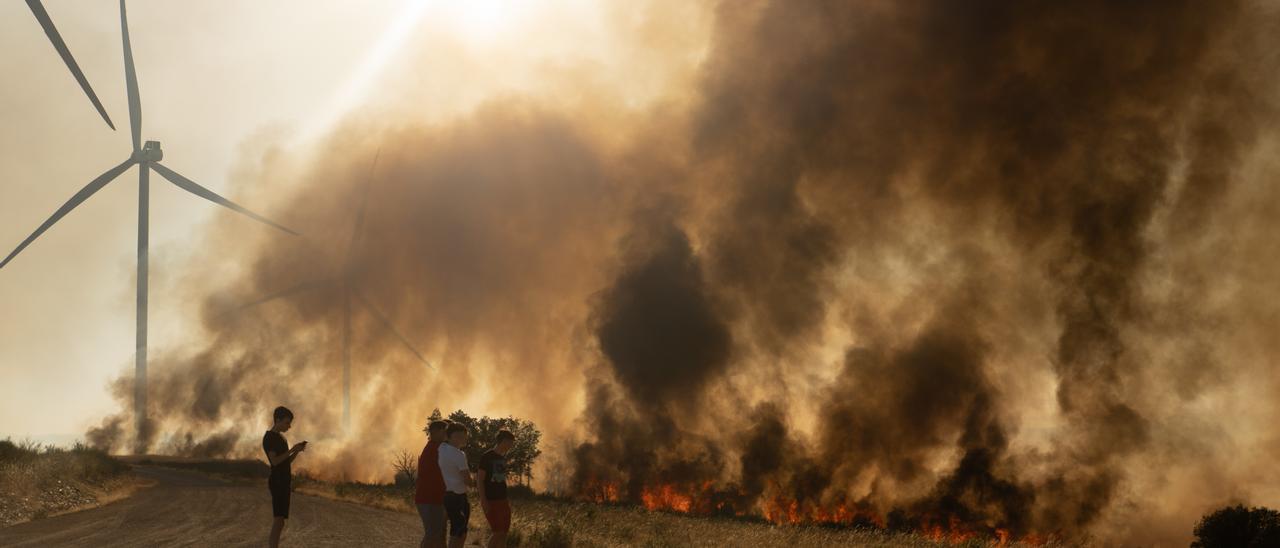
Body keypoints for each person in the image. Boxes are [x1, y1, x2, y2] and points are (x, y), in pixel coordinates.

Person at [262, 406, 307, 548]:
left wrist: (296, 452)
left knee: (280, 521)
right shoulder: (269, 437)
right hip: (277, 482)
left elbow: (285, 462)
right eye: (287, 423)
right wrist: (292, 450)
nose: (289, 426)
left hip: (284, 481)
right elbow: (275, 462)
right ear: (278, 420)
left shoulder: (281, 437)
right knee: (278, 520)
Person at [439, 423, 475, 548]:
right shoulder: (459, 454)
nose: (462, 438)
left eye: (464, 435)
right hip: (457, 496)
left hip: (447, 494)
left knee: (458, 529)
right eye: (458, 436)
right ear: (448, 437)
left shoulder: (441, 448)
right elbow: (467, 479)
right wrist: (475, 484)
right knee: (459, 530)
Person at [477, 429, 516, 548]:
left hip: (503, 500)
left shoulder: (502, 458)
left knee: (504, 534)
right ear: (504, 441)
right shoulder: (487, 457)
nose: (511, 446)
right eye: (510, 443)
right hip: (491, 501)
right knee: (498, 532)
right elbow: (479, 480)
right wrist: (483, 500)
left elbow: (499, 480)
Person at [415, 419, 450, 548]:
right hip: (430, 499)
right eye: (446, 431)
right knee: (432, 535)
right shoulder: (436, 448)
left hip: (433, 498)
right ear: (438, 432)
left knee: (436, 534)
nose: (447, 435)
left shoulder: (434, 448)